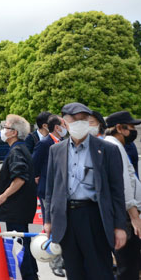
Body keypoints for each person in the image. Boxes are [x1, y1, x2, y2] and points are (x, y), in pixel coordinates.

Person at [44, 102, 127, 280]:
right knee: (74, 271)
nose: (79, 123)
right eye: (74, 119)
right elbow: (50, 188)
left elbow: (117, 191)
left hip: (94, 215)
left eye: (83, 119)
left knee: (100, 270)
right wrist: (48, 220)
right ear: (64, 123)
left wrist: (120, 226)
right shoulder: (55, 150)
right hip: (66, 218)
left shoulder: (107, 150)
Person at [0, 114, 38, 280]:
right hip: (21, 208)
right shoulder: (21, 149)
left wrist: (3, 196)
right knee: (23, 242)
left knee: (18, 245)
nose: (3, 130)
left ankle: (28, 276)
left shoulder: (17, 151)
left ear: (14, 132)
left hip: (15, 208)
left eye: (6, 127)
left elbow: (19, 178)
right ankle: (32, 273)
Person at [104, 111, 141, 279]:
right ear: (119, 128)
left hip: (123, 215)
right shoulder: (114, 147)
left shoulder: (114, 145)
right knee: (128, 268)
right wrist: (134, 217)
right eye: (131, 127)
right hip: (125, 217)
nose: (133, 131)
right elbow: (123, 185)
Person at [31, 115, 66, 277]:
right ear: (56, 127)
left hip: (62, 190)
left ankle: (62, 258)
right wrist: (39, 178)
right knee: (51, 225)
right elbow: (34, 165)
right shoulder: (45, 143)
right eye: (64, 124)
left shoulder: (64, 142)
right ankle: (54, 261)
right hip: (47, 191)